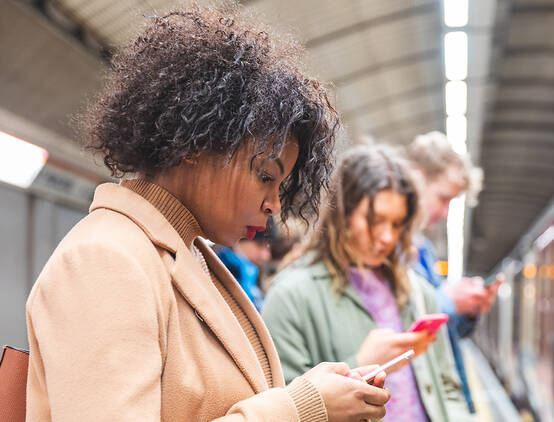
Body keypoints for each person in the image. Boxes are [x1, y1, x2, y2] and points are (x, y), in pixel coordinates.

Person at [25, 6, 389, 421]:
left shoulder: (184, 253)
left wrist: (317, 397)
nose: (275, 206)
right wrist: (303, 408)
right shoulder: (103, 261)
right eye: (265, 176)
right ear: (197, 144)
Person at [262, 146, 474, 422]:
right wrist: (359, 364)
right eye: (375, 221)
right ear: (343, 214)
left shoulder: (417, 290)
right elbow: (284, 409)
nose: (387, 237)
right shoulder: (290, 297)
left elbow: (447, 386)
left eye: (397, 224)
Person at [405, 131, 500, 413]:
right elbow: (401, 332)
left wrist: (468, 309)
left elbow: (444, 335)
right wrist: (446, 300)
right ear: (417, 178)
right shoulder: (384, 252)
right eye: (443, 198)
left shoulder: (423, 252)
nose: (446, 212)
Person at [217, 236, 271, 310]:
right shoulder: (223, 263)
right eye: (260, 245)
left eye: (268, 249)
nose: (265, 256)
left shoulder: (254, 272)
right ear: (240, 239)